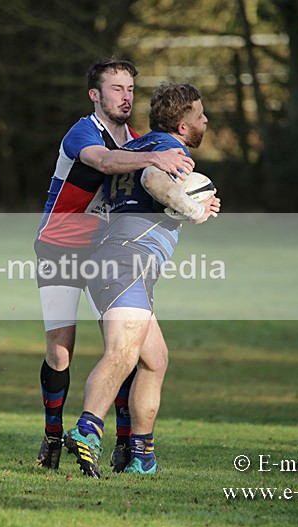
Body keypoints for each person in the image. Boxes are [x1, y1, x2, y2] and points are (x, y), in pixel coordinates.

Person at [34, 60, 195, 471]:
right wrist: (153, 162)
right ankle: (53, 438)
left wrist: (190, 198)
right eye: (116, 88)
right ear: (96, 94)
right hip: (59, 247)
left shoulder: (140, 142)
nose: (126, 96)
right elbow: (104, 162)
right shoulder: (84, 131)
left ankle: (127, 446)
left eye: (130, 89)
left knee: (125, 345)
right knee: (61, 351)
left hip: (103, 250)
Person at [64, 82, 220, 477]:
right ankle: (87, 430)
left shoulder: (132, 148)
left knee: (155, 359)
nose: (206, 120)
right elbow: (154, 181)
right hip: (127, 261)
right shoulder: (170, 153)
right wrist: (192, 209)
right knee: (122, 353)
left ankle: (141, 458)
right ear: (183, 126)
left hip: (110, 260)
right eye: (200, 115)